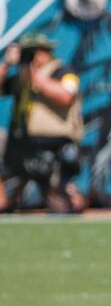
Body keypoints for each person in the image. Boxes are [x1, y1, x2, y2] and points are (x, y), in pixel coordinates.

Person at [0, 32, 85, 213]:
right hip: (22, 144)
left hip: (54, 147)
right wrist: (6, 64)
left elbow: (66, 96)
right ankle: (2, 202)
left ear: (45, 51)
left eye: (33, 52)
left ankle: (71, 193)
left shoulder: (63, 71)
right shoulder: (21, 77)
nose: (31, 57)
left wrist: (36, 77)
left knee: (61, 208)